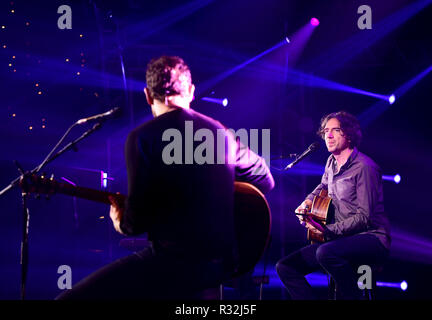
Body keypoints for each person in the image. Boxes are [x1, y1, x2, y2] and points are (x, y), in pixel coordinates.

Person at [56, 55, 274, 300]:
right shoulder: (220, 133)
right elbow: (264, 179)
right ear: (191, 91)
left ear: (148, 95)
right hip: (222, 264)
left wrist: (121, 222)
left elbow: (135, 223)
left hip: (172, 264)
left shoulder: (143, 138)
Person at [276, 111, 391, 300]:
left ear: (349, 134)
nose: (328, 136)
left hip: (371, 238)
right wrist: (306, 202)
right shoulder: (331, 162)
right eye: (325, 131)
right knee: (286, 267)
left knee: (325, 252)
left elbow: (364, 218)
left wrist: (328, 231)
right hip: (342, 239)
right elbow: (323, 186)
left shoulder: (365, 167)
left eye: (335, 130)